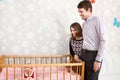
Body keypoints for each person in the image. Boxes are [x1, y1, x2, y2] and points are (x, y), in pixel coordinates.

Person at [77, 0, 106, 80]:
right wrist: (79, 55)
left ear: (89, 10)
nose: (80, 14)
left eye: (81, 11)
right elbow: (85, 41)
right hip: (84, 54)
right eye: (79, 12)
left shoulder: (98, 20)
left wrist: (98, 60)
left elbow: (103, 41)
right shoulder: (84, 24)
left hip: (93, 56)